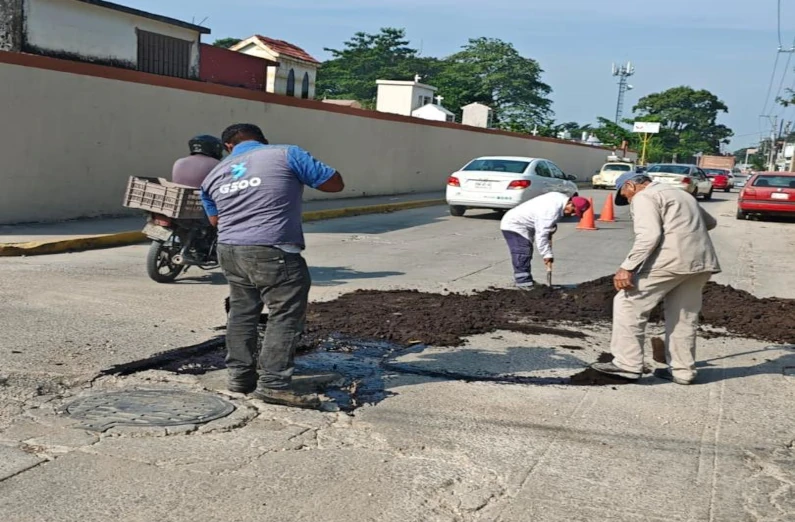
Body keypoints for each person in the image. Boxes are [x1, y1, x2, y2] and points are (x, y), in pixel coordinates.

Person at [200, 123, 345, 409]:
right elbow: (334, 183)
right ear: (262, 140)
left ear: (228, 146)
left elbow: (215, 220)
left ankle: (240, 377)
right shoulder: (286, 154)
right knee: (285, 314)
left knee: (242, 312)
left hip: (229, 250)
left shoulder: (214, 174)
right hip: (272, 249)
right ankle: (274, 384)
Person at [591, 172, 721, 384]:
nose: (628, 200)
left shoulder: (644, 196)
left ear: (631, 185)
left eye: (625, 195)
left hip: (670, 261)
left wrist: (627, 267)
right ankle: (683, 371)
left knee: (628, 303)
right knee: (683, 316)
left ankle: (627, 364)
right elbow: (710, 222)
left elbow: (649, 236)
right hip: (700, 262)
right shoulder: (681, 194)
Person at [500, 193, 591, 289]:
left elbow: (543, 218)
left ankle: (526, 281)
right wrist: (547, 254)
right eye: (573, 211)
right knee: (522, 251)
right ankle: (523, 283)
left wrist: (550, 226)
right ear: (570, 203)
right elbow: (541, 235)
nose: (572, 214)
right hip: (514, 224)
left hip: (523, 223)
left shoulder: (560, 199)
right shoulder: (551, 212)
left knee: (526, 250)